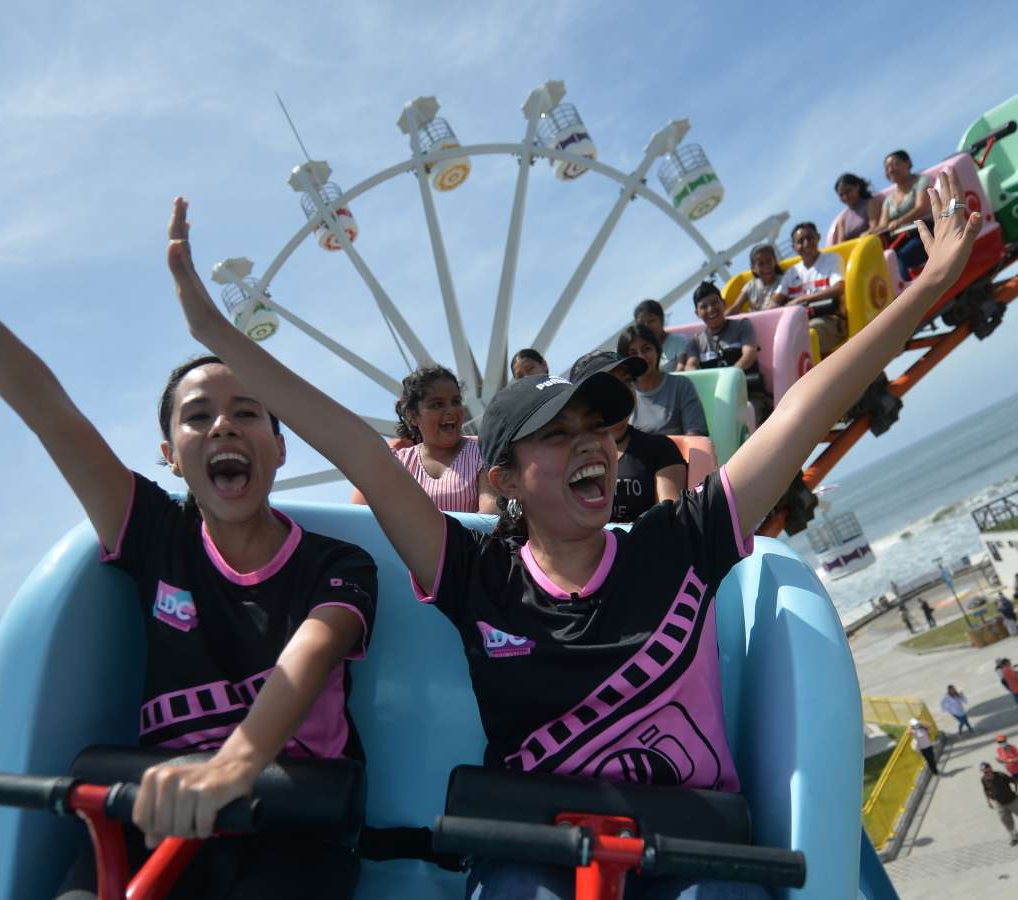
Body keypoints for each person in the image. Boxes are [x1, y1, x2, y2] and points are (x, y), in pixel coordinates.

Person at [165, 160, 980, 898]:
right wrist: (216, 335)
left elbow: (805, 408)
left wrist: (928, 285)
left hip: (689, 847)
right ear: (504, 479)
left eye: (600, 428)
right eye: (557, 434)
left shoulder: (680, 542)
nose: (590, 443)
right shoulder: (477, 573)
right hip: (533, 848)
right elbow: (355, 446)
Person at [0, 96, 375, 900]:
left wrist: (229, 768)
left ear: (280, 445)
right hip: (146, 809)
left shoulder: (339, 566)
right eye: (198, 417)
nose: (223, 426)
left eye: (247, 413)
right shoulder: (155, 536)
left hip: (286, 818)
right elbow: (43, 404)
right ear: (171, 456)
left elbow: (301, 667)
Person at [568, 351, 686, 524]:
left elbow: (671, 521)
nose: (622, 391)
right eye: (608, 385)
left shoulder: (660, 448)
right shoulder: (563, 455)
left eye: (627, 381)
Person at [390, 365, 497, 514]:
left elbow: (490, 509)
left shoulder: (482, 449)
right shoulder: (400, 463)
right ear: (413, 416)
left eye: (455, 402)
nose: (451, 410)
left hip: (475, 537)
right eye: (437, 404)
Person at [684, 283, 772, 427]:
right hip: (717, 403)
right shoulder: (695, 342)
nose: (711, 309)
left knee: (739, 418)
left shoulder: (742, 326)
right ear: (697, 313)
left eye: (714, 303)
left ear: (723, 303)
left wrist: (728, 380)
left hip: (749, 396)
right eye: (704, 307)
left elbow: (749, 354)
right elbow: (690, 366)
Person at [618, 324, 709, 437]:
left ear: (657, 349)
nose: (641, 357)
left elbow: (695, 434)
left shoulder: (681, 385)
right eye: (633, 354)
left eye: (646, 349)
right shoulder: (622, 397)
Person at [772, 222, 848, 358]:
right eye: (800, 241)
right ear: (794, 247)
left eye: (810, 238)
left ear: (818, 238)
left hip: (829, 319)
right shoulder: (792, 272)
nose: (806, 244)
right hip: (799, 322)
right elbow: (776, 301)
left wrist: (802, 299)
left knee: (805, 334)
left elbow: (838, 288)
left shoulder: (831, 259)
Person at [871, 150, 932, 279]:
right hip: (903, 238)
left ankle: (908, 293)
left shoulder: (921, 180)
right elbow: (883, 225)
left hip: (925, 231)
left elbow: (921, 207)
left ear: (908, 163)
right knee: (885, 259)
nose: (891, 170)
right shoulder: (889, 199)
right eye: (887, 168)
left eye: (895, 164)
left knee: (898, 258)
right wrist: (868, 234)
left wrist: (900, 221)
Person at [633, 299, 688, 373]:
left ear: (662, 319)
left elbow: (681, 368)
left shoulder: (678, 341)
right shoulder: (637, 351)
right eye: (642, 324)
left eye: (651, 321)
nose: (647, 326)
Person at [728, 245, 786, 314]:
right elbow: (735, 307)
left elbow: (771, 309)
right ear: (753, 268)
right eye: (761, 264)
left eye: (769, 261)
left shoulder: (783, 282)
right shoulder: (750, 286)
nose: (766, 266)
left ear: (775, 261)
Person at [829, 173, 883, 244]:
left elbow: (874, 227)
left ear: (857, 187)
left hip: (871, 245)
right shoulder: (842, 219)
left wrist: (865, 236)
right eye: (841, 195)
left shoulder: (870, 203)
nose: (846, 197)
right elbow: (841, 243)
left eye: (848, 191)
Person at [979, 762, 1018, 845]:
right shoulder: (983, 779)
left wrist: (1016, 791)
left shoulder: (1001, 775)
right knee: (1005, 821)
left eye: (987, 771)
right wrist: (988, 802)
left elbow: (1014, 781)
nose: (986, 773)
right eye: (984, 772)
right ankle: (1014, 837)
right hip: (999, 803)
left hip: (1012, 800)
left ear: (991, 769)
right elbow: (986, 790)